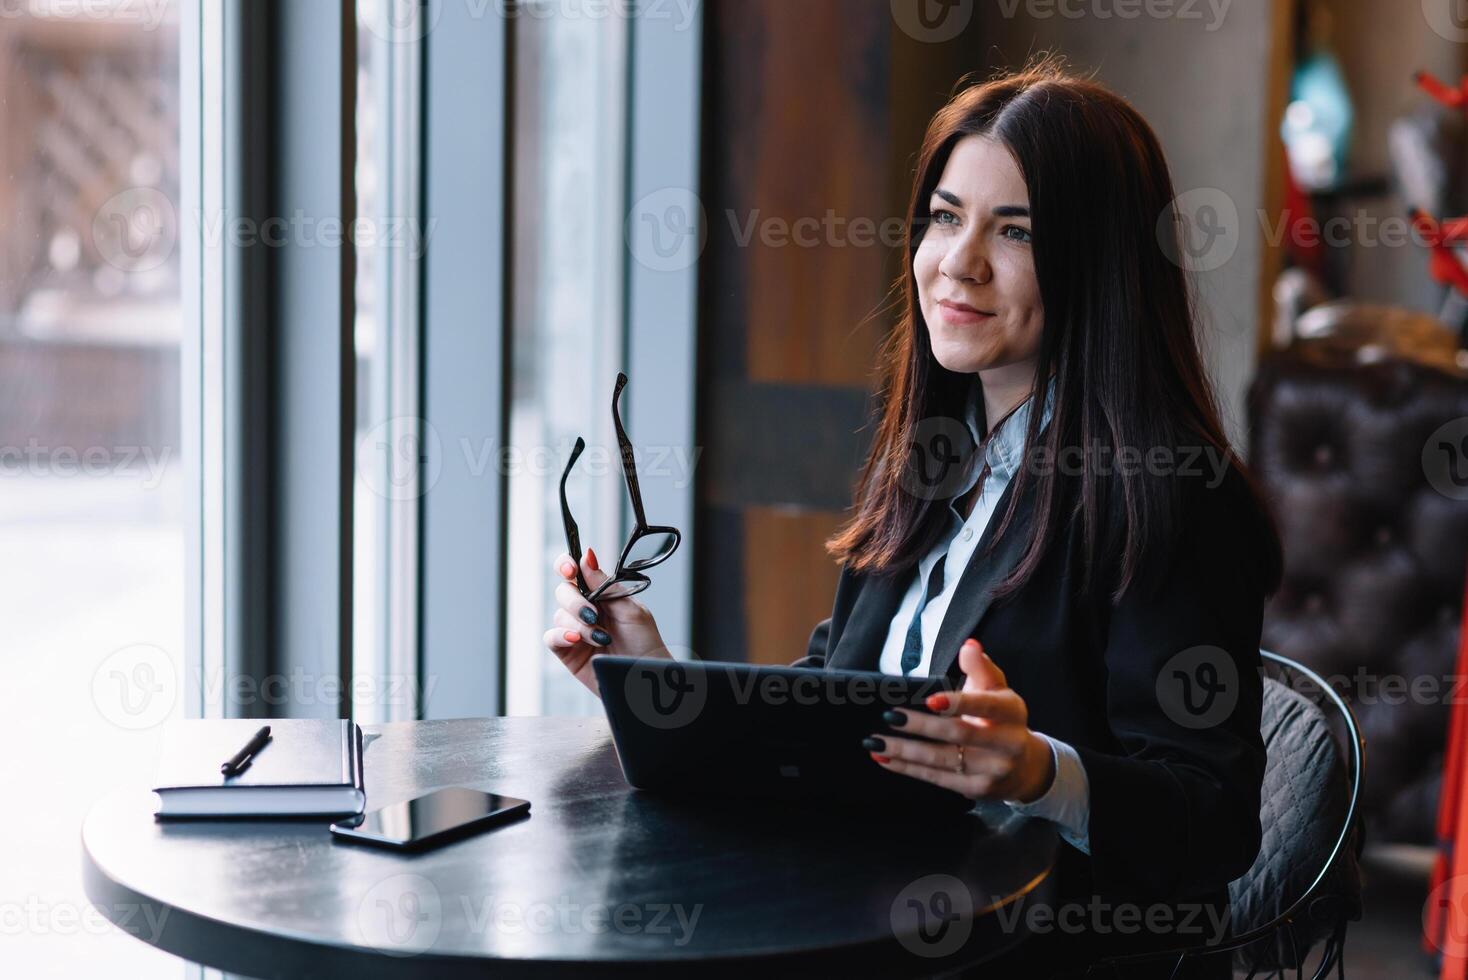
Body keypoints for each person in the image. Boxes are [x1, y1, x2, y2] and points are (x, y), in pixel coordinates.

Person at [542, 58, 1283, 979]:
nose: (958, 262)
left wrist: (1038, 772)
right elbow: (831, 698)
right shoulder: (930, 457)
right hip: (861, 916)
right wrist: (651, 677)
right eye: (944, 217)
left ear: (1103, 260)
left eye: (1015, 231)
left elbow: (1212, 822)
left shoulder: (1172, 493)